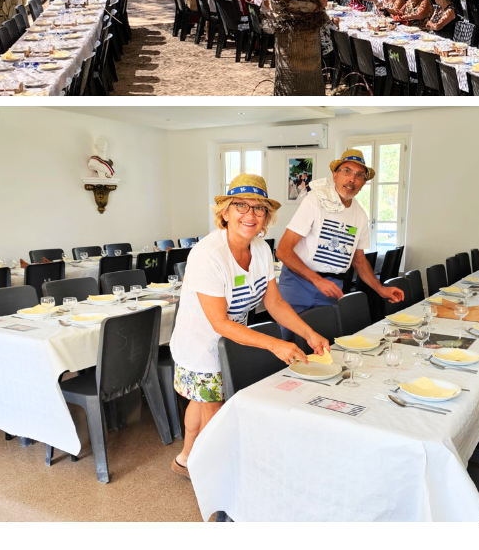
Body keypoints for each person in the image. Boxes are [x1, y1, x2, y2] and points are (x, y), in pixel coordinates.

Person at [168, 174, 331, 479]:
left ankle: (186, 458)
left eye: (259, 209)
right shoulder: (207, 255)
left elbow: (275, 303)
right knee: (214, 412)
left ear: (266, 217)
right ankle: (217, 477)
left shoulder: (260, 249)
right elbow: (219, 322)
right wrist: (275, 344)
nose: (250, 214)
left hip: (231, 340)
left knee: (201, 400)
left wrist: (309, 333)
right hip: (200, 344)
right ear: (225, 212)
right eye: (240, 205)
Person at [275, 150, 404, 341]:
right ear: (335, 175)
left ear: (363, 183)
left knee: (325, 343)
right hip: (297, 283)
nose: (352, 179)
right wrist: (317, 280)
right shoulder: (314, 201)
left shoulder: (359, 215)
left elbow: (359, 261)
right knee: (288, 344)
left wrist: (380, 289)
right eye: (347, 171)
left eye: (359, 175)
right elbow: (283, 251)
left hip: (332, 287)